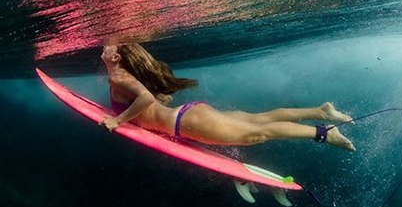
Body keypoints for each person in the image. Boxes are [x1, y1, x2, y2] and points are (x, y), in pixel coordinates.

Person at [99, 43, 355, 151]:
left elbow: (144, 99)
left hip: (185, 124)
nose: (105, 49)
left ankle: (324, 132)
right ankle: (320, 111)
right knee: (259, 119)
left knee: (257, 134)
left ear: (117, 58)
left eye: (109, 51)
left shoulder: (117, 77)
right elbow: (148, 101)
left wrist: (117, 121)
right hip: (189, 114)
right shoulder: (122, 75)